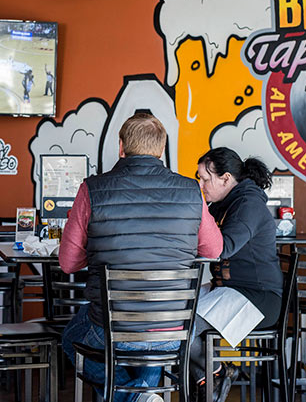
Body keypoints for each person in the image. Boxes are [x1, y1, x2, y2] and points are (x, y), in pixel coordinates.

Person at [59, 113, 223, 402]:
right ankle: (146, 396)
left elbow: (68, 263)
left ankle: (133, 397)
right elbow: (214, 251)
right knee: (153, 343)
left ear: (121, 146)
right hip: (172, 330)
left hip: (112, 329)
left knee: (70, 337)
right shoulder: (190, 191)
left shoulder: (92, 189)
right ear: (161, 149)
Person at [190, 147, 282, 402]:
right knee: (173, 318)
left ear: (226, 178)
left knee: (180, 328)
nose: (201, 184)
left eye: (205, 179)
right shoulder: (225, 203)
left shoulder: (248, 204)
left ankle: (216, 375)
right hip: (230, 291)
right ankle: (213, 376)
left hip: (258, 298)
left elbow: (222, 247)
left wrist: (199, 208)